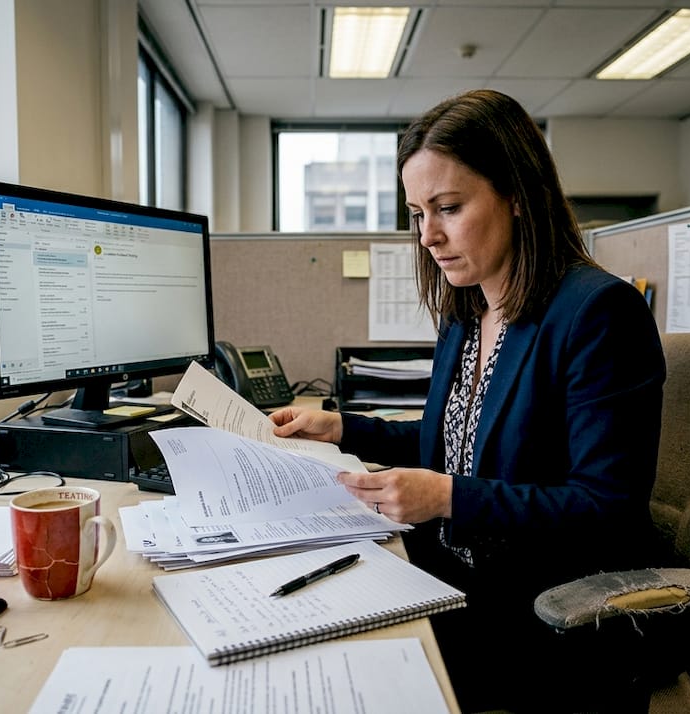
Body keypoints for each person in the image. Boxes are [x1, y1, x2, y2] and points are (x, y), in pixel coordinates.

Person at [269, 89, 666, 713]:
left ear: (516, 193)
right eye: (417, 213)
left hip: (537, 607)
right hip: (450, 575)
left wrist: (448, 497)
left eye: (448, 208)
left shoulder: (597, 313)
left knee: (340, 675)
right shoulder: (469, 310)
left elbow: (606, 507)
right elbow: (453, 443)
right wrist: (343, 427)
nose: (428, 235)